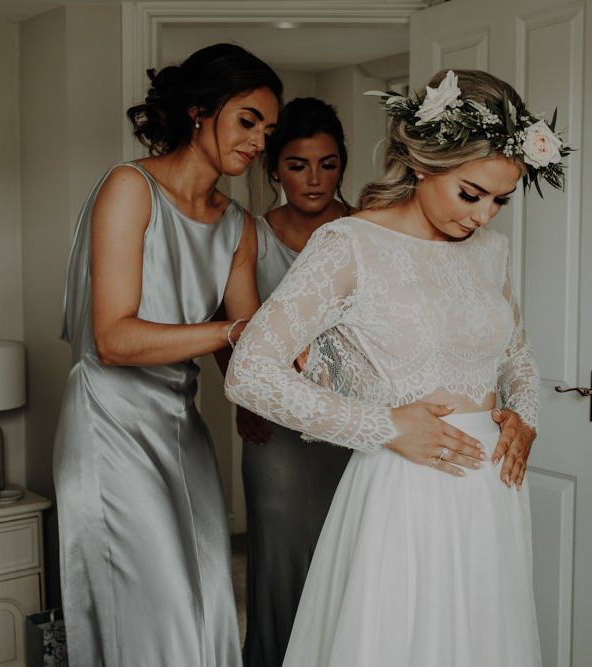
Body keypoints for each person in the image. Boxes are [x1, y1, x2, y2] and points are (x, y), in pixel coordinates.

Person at [226, 69, 569, 666]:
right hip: (405, 487)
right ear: (421, 163)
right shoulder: (349, 244)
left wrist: (525, 417)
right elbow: (250, 370)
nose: (485, 216)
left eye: (500, 200)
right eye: (471, 193)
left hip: (490, 491)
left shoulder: (491, 251)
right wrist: (386, 426)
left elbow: (514, 350)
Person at [53, 44, 281, 666]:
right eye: (248, 120)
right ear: (200, 111)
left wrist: (268, 392)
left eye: (268, 128)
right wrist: (233, 336)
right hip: (109, 423)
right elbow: (115, 339)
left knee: (207, 593)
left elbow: (248, 345)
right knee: (151, 605)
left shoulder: (238, 224)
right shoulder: (130, 188)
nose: (260, 141)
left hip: (182, 425)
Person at [238, 97, 352, 667]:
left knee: (352, 559)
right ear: (274, 169)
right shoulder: (251, 236)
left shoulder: (367, 232)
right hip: (275, 428)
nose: (314, 179)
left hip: (355, 429)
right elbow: (232, 326)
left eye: (328, 164)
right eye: (298, 164)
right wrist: (244, 396)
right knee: (280, 561)